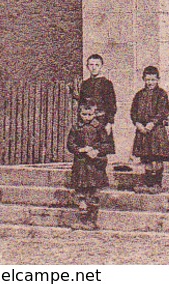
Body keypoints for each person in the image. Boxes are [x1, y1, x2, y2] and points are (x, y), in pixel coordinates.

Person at [66, 101, 114, 230]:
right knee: (81, 193)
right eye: (84, 114)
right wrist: (81, 150)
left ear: (95, 114)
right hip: (81, 164)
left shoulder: (99, 127)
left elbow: (107, 145)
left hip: (94, 165)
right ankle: (82, 220)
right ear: (80, 114)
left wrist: (96, 151)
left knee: (93, 193)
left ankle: (92, 221)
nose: (86, 117)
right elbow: (70, 144)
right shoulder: (76, 127)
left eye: (89, 114)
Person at [129, 66, 169, 191]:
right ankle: (148, 183)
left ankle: (157, 184)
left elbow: (162, 111)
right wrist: (138, 123)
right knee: (147, 157)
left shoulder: (161, 94)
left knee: (157, 157)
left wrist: (152, 123)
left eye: (153, 80)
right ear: (143, 79)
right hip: (143, 130)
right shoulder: (139, 95)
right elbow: (133, 112)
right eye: (147, 79)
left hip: (156, 130)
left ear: (158, 79)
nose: (150, 82)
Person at [74, 54, 116, 130]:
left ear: (101, 66)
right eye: (91, 65)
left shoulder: (106, 84)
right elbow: (81, 104)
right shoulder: (84, 84)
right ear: (87, 66)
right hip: (86, 122)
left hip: (102, 121)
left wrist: (109, 123)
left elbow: (111, 105)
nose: (94, 68)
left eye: (97, 65)